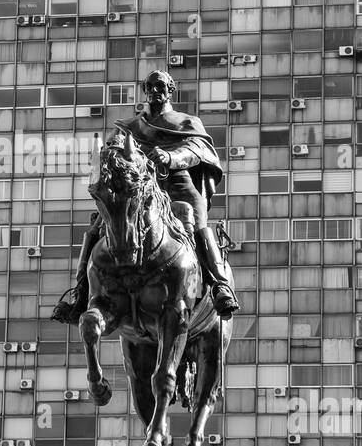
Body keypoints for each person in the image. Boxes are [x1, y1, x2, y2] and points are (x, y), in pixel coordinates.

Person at [52, 69, 240, 323]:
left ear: (170, 90)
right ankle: (80, 293)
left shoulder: (186, 122)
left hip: (177, 182)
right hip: (137, 187)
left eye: (160, 86)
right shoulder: (129, 127)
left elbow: (197, 150)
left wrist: (171, 157)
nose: (154, 91)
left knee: (196, 222)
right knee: (99, 226)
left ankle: (219, 285)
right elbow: (112, 152)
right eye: (150, 87)